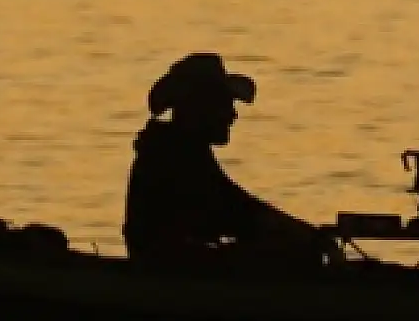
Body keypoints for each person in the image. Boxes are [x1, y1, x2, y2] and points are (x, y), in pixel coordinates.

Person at [122, 52, 335, 270]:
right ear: (199, 107)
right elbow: (233, 212)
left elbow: (235, 204)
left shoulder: (182, 149)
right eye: (224, 104)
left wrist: (301, 232)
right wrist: (302, 235)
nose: (232, 115)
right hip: (171, 270)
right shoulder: (173, 155)